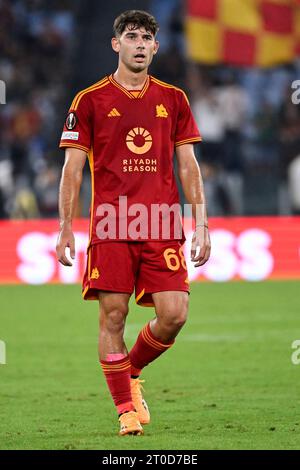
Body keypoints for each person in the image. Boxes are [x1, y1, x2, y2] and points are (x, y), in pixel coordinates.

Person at [56, 10, 211, 436]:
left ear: (156, 47)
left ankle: (131, 371)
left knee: (174, 314)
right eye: (132, 36)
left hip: (161, 222)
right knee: (113, 316)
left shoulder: (174, 98)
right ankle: (125, 410)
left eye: (147, 37)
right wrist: (66, 226)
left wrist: (201, 222)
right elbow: (72, 170)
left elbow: (188, 165)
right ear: (116, 44)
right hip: (110, 224)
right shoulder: (88, 101)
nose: (140, 43)